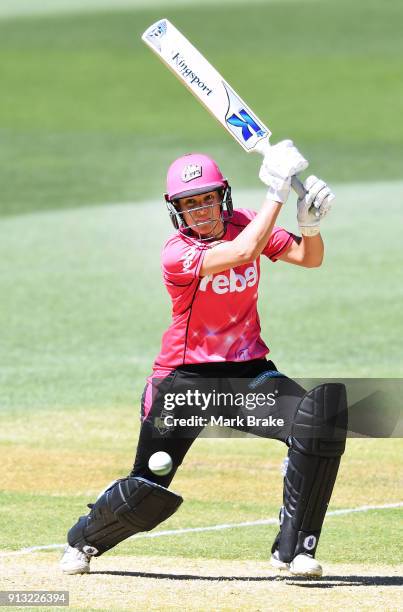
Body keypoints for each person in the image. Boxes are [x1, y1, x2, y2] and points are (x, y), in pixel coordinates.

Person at [60, 140, 347, 577]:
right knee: (148, 489)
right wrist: (277, 191)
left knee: (317, 422)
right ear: (175, 209)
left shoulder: (246, 223)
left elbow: (310, 259)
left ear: (222, 196)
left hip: (248, 375)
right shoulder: (177, 253)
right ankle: (83, 539)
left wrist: (309, 227)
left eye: (207, 199)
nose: (201, 210)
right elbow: (243, 253)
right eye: (189, 203)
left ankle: (294, 552)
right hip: (184, 381)